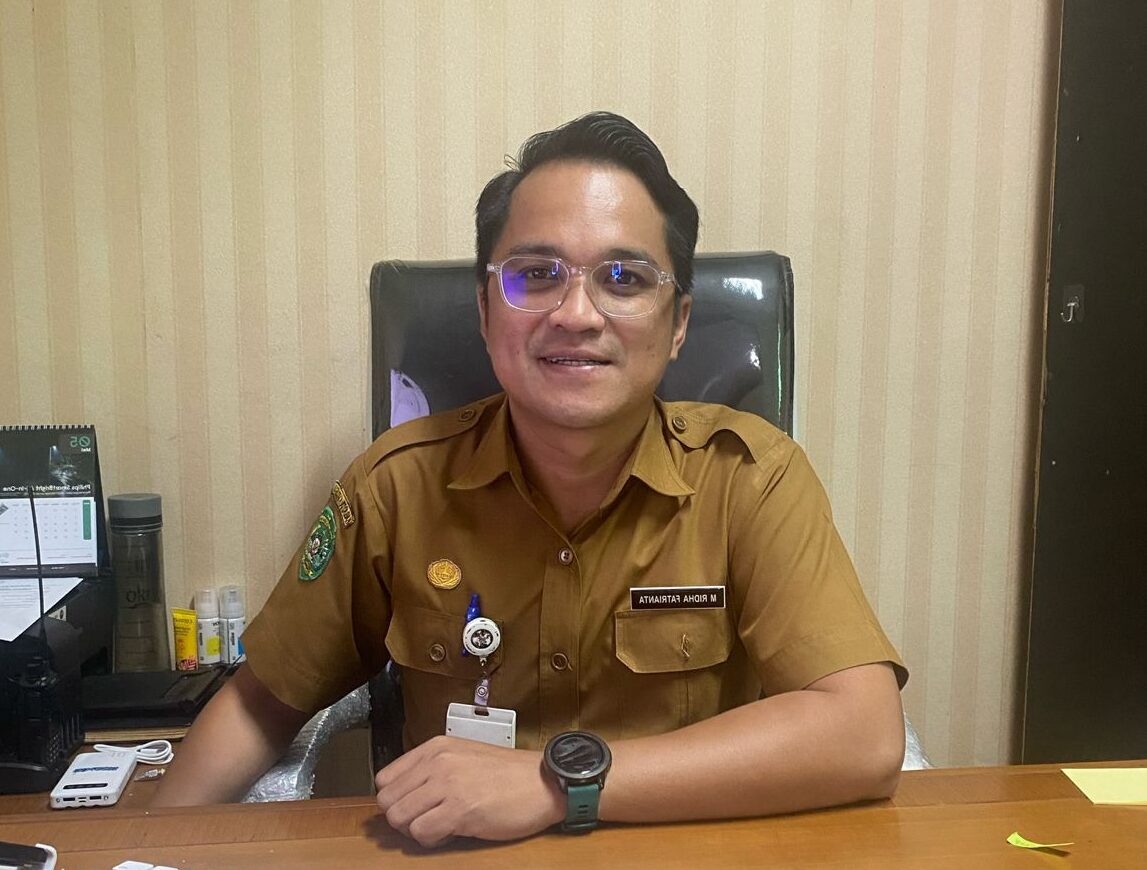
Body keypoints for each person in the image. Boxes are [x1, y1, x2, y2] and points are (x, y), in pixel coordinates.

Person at [153, 112, 908, 847]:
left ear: (678, 322)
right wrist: (141, 848)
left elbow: (864, 733)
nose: (576, 313)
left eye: (623, 277)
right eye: (537, 275)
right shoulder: (395, 488)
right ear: (486, 312)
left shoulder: (751, 479)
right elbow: (259, 705)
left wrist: (555, 786)